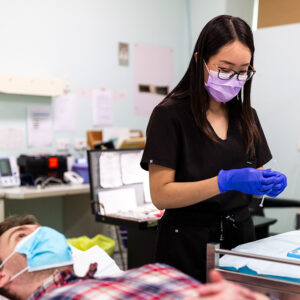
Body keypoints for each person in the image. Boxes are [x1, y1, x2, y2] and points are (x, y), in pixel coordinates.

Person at [140, 15, 287, 282]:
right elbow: (161, 195)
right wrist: (224, 181)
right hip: (185, 244)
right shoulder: (169, 116)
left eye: (243, 71)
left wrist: (265, 184)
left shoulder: (247, 117)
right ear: (200, 61)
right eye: (225, 68)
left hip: (240, 241)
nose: (234, 78)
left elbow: (255, 178)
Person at [0, 215, 271, 300]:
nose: (43, 233)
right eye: (22, 236)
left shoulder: (151, 271)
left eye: (39, 228)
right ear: (3, 276)